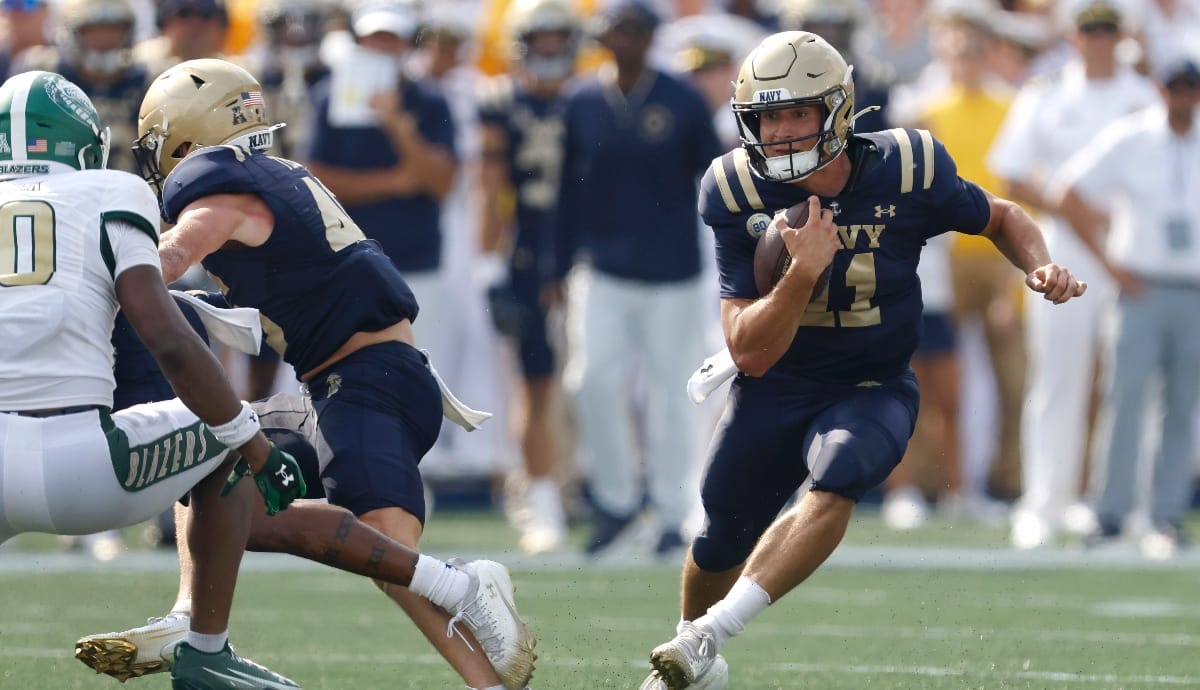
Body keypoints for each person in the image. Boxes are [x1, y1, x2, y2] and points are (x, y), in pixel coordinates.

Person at [639, 31, 1086, 689]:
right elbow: (746, 350)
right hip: (777, 381)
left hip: (871, 382)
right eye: (766, 117)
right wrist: (801, 274)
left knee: (839, 475)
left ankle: (711, 633)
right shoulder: (734, 187)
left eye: (797, 113)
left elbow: (1001, 216)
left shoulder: (908, 166)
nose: (779, 133)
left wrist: (1039, 265)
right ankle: (693, 655)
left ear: (838, 110)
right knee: (719, 536)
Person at [97, 57, 535, 690]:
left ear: (187, 136)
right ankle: (191, 621)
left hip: (365, 383)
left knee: (392, 557)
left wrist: (93, 269)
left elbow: (170, 256)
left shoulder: (221, 194)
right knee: (207, 457)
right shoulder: (271, 180)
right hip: (355, 383)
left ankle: (471, 604)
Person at [0, 69, 305, 688]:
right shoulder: (111, 190)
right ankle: (205, 648)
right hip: (81, 465)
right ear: (85, 145)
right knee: (227, 428)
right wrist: (254, 444)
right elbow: (164, 335)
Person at [554, 0, 723, 558]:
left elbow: (715, 181)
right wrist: (555, 266)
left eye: (636, 30)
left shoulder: (682, 100)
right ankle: (617, 500)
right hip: (601, 267)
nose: (626, 39)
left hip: (673, 272)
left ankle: (673, 512)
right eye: (617, 29)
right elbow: (566, 192)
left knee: (672, 394)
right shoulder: (580, 100)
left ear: (652, 37)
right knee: (590, 380)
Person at [987, 0, 1158, 549]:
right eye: (1089, 29)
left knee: (1131, 381)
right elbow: (1011, 173)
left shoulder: (1144, 96)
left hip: (1131, 246)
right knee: (1057, 375)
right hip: (1062, 245)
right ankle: (1044, 502)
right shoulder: (1048, 92)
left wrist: (1108, 215)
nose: (1098, 39)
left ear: (1120, 35)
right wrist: (1074, 209)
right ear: (1074, 35)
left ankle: (1123, 504)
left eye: (1106, 29)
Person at [1051, 55, 1200, 557]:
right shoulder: (1133, 136)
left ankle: (1167, 517)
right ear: (1160, 90)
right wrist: (1110, 265)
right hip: (1141, 288)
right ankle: (1110, 515)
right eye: (1175, 87)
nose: (1182, 96)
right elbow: (1067, 193)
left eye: (1189, 88)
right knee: (1124, 400)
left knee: (1183, 407)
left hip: (1194, 289)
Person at [475, 0, 580, 555]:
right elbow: (490, 187)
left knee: (595, 383)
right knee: (535, 382)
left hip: (587, 252)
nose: (550, 51)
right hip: (530, 255)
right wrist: (488, 261)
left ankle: (582, 490)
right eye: (540, 41)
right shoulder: (501, 102)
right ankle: (540, 501)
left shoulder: (590, 100)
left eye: (557, 39)